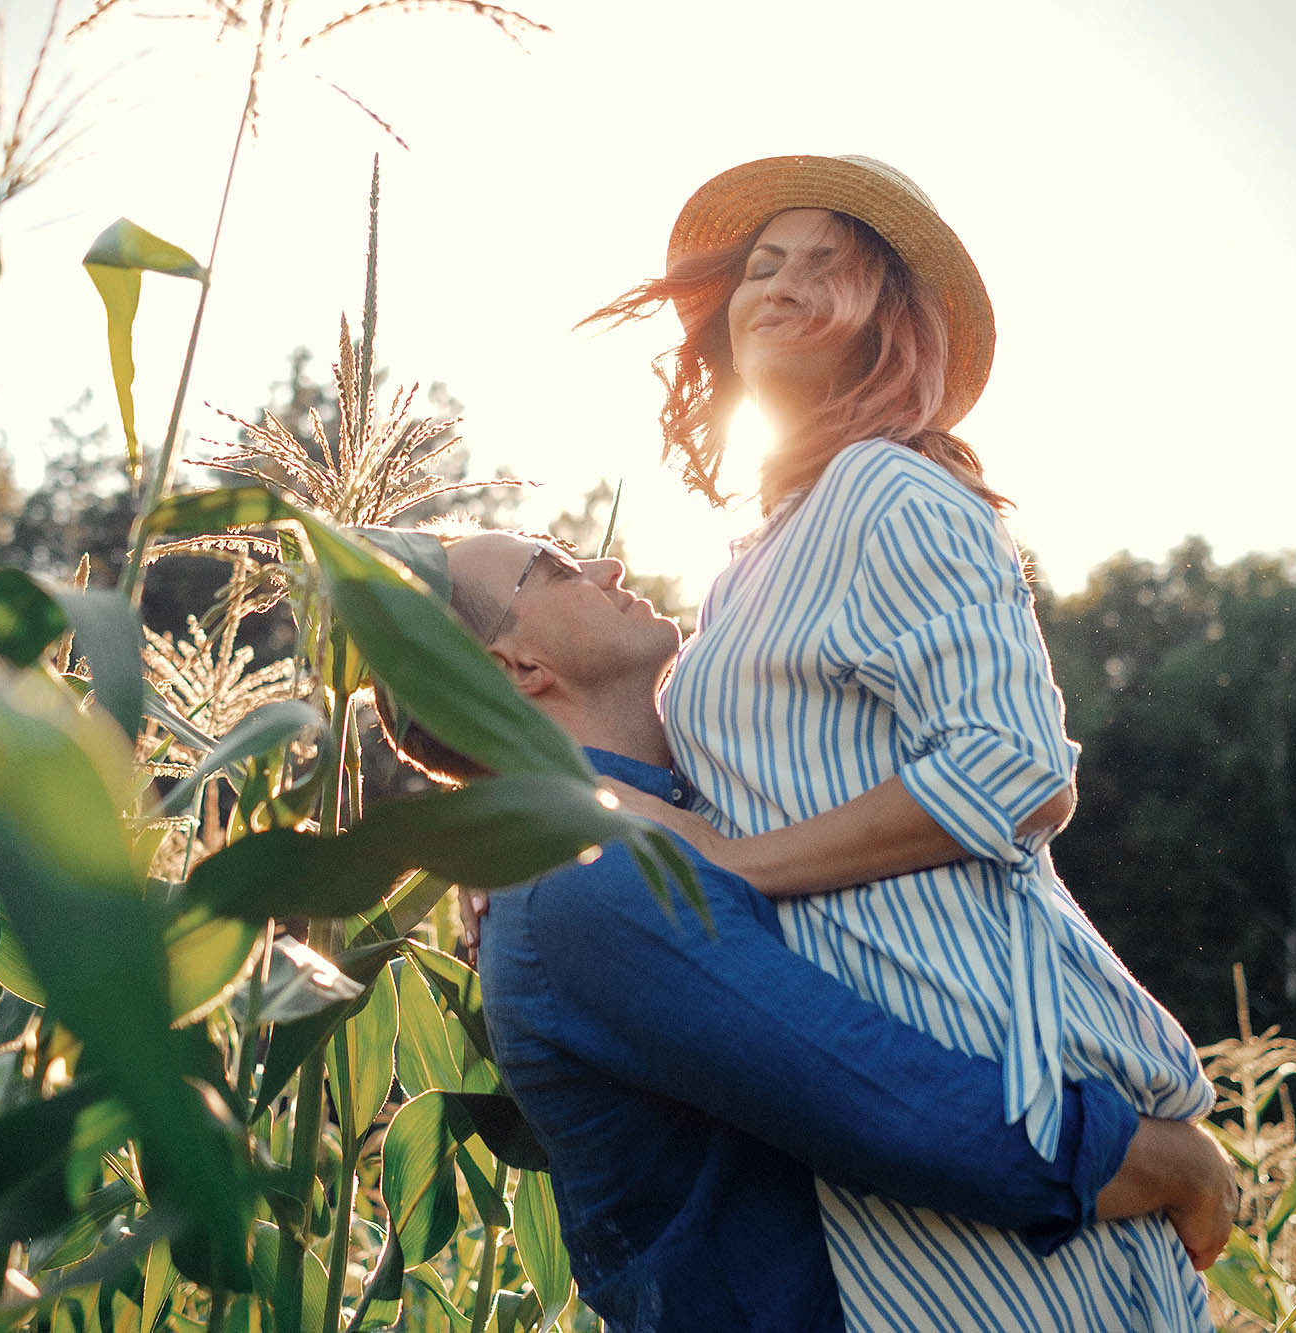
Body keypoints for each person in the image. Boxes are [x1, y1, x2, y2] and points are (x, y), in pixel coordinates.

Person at [579, 155, 1221, 1331]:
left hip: (971, 1042)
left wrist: (726, 865)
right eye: (761, 264)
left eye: (826, 262)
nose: (779, 282)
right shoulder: (759, 554)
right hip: (870, 1064)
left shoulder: (888, 491)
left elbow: (1013, 771)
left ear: (890, 318)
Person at [378, 528, 1236, 1333]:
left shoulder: (661, 827)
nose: (607, 569)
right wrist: (1172, 1164)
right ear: (514, 665)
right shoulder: (583, 876)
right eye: (558, 567)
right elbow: (889, 1107)